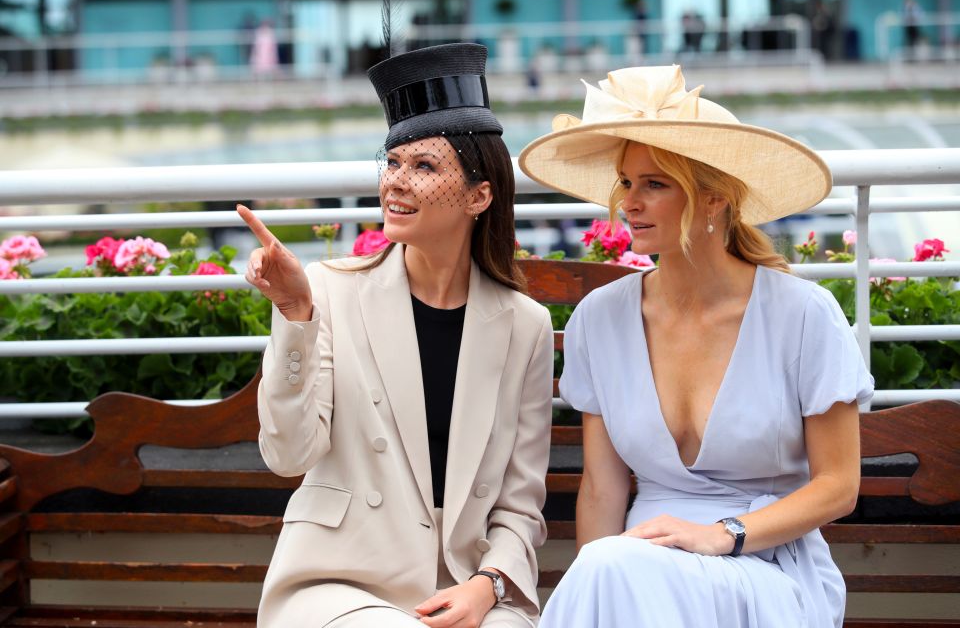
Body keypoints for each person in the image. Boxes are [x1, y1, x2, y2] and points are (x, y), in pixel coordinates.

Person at [518, 64, 873, 627]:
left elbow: (838, 486)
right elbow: (603, 489)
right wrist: (598, 576)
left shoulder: (804, 315)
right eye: (627, 182)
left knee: (615, 569)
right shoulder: (599, 320)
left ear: (713, 199)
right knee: (609, 568)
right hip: (636, 563)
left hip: (766, 562)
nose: (629, 203)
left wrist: (720, 536)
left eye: (654, 184)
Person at [239, 43, 554, 628]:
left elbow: (519, 505)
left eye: (425, 167)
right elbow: (288, 455)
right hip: (336, 580)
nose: (396, 182)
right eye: (392, 162)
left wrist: (487, 587)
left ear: (479, 196)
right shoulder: (328, 292)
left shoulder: (525, 327)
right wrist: (293, 312)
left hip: (466, 586)